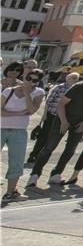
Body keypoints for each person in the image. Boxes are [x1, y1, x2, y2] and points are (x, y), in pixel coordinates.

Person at [28, 69, 83, 187]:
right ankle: (34, 175)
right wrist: (64, 121)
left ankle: (56, 174)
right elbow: (61, 104)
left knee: (70, 149)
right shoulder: (79, 87)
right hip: (63, 118)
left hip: (80, 122)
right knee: (50, 146)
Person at [2, 67, 44, 200]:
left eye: (34, 80)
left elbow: (32, 110)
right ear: (24, 76)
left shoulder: (38, 92)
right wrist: (18, 113)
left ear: (38, 82)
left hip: (19, 131)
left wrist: (27, 94)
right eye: (28, 78)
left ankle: (10, 192)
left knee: (17, 161)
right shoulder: (9, 91)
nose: (30, 81)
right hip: (1, 128)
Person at [28, 72, 78, 166]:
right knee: (43, 137)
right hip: (51, 115)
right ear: (67, 78)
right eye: (73, 78)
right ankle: (33, 155)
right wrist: (44, 115)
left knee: (51, 139)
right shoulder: (59, 87)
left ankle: (41, 157)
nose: (75, 80)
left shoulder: (75, 90)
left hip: (61, 118)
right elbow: (49, 101)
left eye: (76, 78)